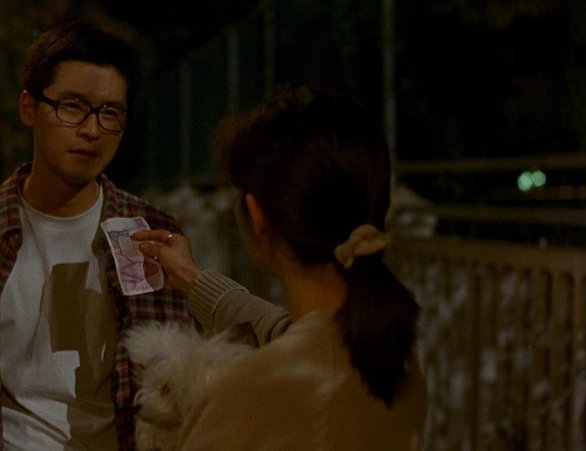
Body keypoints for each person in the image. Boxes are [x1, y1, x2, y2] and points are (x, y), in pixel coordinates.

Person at [0, 21, 190, 451]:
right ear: (29, 108)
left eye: (110, 113)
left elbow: (176, 391)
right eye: (72, 106)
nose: (91, 129)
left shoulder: (149, 234)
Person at [134, 84, 427, 450]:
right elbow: (285, 331)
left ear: (257, 217)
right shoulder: (392, 351)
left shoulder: (255, 392)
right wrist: (193, 279)